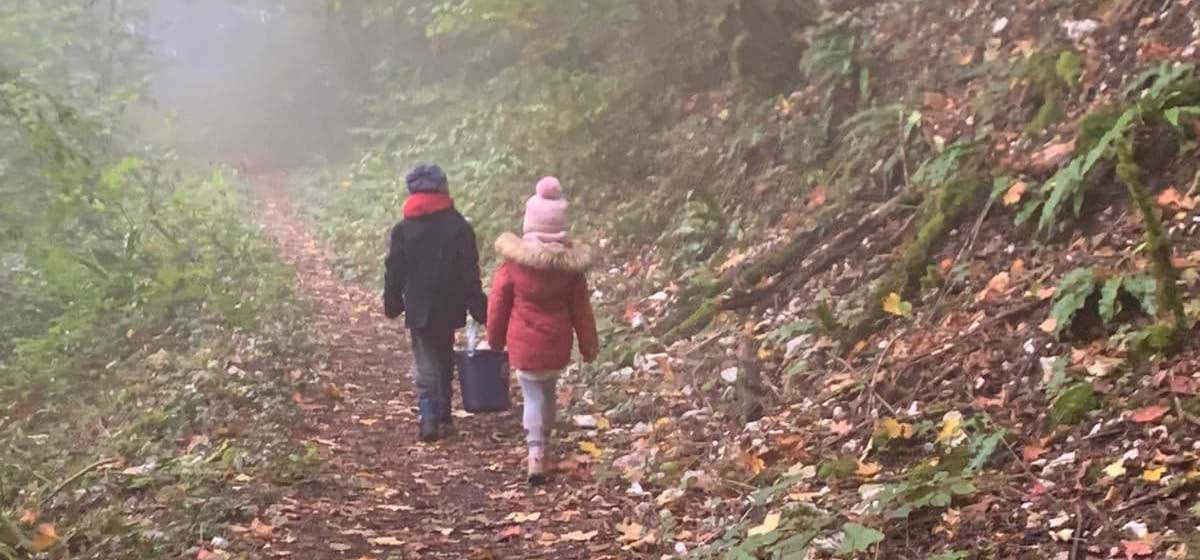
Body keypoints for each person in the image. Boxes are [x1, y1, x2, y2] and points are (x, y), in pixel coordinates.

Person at [486, 176, 599, 485]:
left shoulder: (512, 266)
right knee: (548, 392)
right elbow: (582, 312)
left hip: (524, 345)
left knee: (531, 395)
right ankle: (545, 443)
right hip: (556, 342)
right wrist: (589, 347)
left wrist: (494, 341)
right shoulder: (570, 272)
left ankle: (534, 451)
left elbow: (497, 305)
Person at [384, 164, 487, 443]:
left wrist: (392, 300)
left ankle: (429, 415)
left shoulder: (403, 230)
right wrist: (478, 305)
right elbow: (469, 271)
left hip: (419, 306)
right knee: (443, 356)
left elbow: (394, 269)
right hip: (450, 304)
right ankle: (444, 415)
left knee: (426, 361)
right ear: (443, 189)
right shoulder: (459, 227)